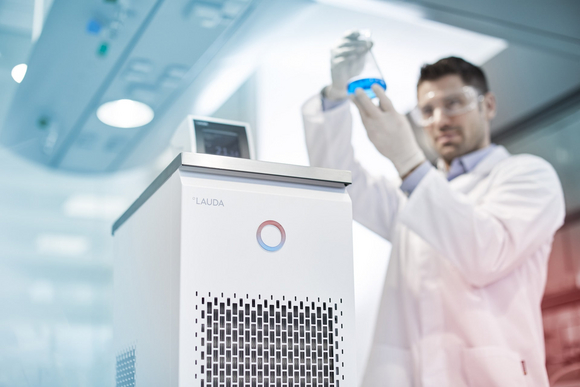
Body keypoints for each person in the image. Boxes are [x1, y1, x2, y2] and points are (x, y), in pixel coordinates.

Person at [302, 31, 565, 387]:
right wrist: (334, 99)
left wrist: (409, 162)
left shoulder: (529, 176)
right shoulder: (409, 197)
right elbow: (338, 178)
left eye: (454, 103)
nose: (440, 119)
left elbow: (486, 254)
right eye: (427, 110)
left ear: (487, 105)